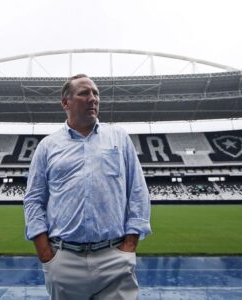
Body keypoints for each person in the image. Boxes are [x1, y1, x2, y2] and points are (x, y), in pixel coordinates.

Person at [23, 74, 151, 300]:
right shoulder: (47, 146)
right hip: (64, 260)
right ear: (66, 102)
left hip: (115, 257)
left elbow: (138, 191)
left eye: (96, 93)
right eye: (84, 93)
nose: (93, 98)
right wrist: (47, 255)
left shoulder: (119, 138)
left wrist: (129, 246)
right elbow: (34, 200)